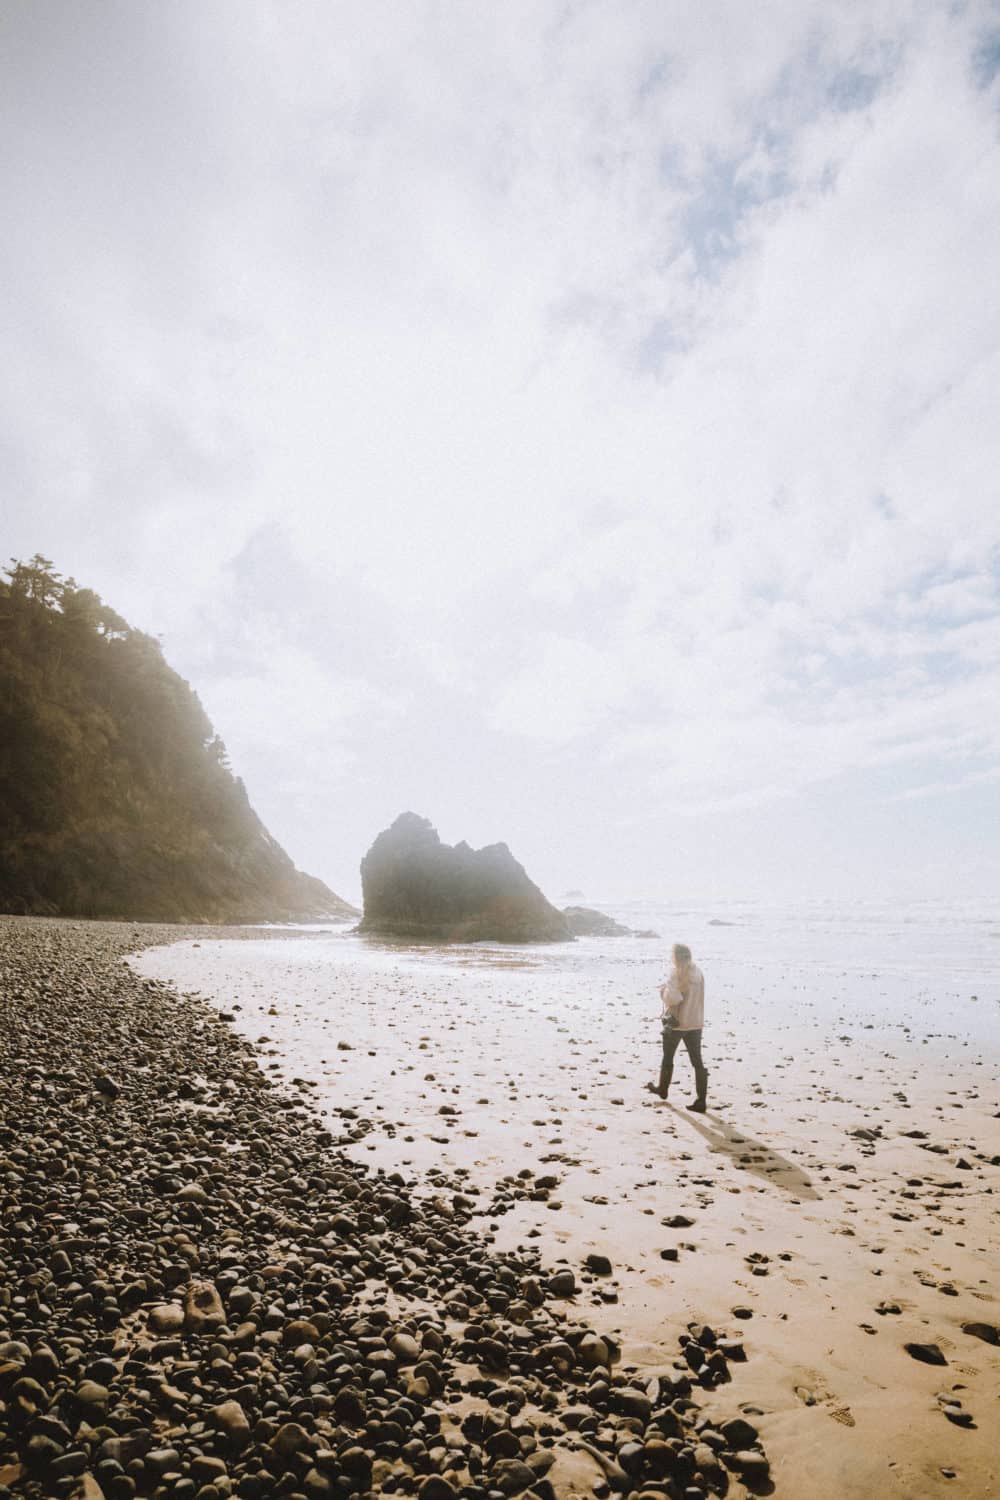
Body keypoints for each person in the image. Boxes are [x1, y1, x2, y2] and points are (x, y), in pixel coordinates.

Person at [648, 942, 708, 1111]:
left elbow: (673, 999)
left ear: (676, 957)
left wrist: (663, 992)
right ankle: (701, 1101)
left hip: (677, 1023)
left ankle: (663, 1089)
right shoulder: (699, 972)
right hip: (695, 1022)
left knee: (668, 1057)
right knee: (697, 1061)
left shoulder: (677, 973)